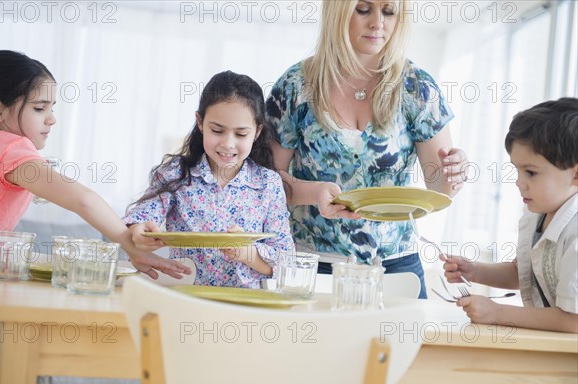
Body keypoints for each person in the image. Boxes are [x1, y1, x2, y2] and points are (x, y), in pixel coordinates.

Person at [266, 0, 468, 300]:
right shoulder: (296, 85)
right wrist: (315, 193)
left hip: (396, 267)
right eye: (363, 9)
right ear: (338, 11)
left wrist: (454, 173)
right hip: (314, 264)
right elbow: (266, 183)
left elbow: (438, 188)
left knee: (404, 348)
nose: (378, 23)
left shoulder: (417, 87)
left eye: (389, 11)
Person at [0, 50, 191, 280]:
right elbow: (83, 199)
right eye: (39, 108)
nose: (51, 119)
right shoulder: (12, 149)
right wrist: (131, 247)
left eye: (52, 108)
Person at [124, 71, 294, 288]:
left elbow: (285, 263)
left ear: (257, 131)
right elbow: (141, 216)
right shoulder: (176, 174)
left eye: (241, 134)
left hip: (245, 307)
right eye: (217, 130)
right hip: (186, 300)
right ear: (200, 122)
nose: (228, 143)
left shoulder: (268, 184)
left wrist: (246, 253)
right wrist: (138, 231)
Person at [443, 98, 578, 338]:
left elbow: (573, 320)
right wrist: (474, 271)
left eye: (531, 172)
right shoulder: (538, 213)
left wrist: (498, 313)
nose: (519, 182)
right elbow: (524, 272)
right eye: (516, 169)